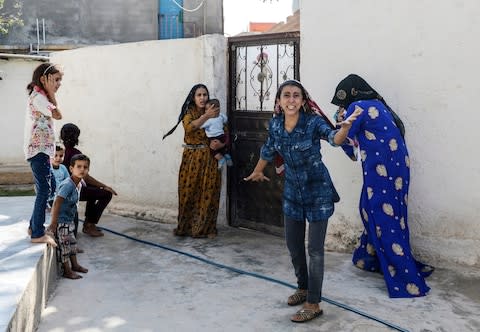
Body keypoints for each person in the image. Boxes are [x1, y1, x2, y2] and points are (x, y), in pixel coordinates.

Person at [244, 80, 362, 323]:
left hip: (318, 192)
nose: (291, 100)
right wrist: (258, 170)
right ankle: (303, 288)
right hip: (292, 194)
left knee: (315, 251)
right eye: (286, 95)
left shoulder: (312, 122)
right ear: (278, 101)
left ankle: (314, 302)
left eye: (296, 95)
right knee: (293, 245)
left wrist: (345, 128)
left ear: (303, 100)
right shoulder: (276, 124)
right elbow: (268, 149)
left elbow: (333, 138)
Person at [331, 74, 433, 298]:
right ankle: (367, 257)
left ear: (350, 95)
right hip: (397, 168)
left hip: (381, 169)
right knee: (374, 210)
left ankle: (406, 279)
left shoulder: (356, 106)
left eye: (340, 103)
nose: (340, 107)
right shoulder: (378, 104)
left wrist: (338, 122)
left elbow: (344, 140)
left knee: (382, 217)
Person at [163, 84, 224, 238]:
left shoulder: (213, 110)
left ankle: (207, 228)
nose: (203, 98)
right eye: (199, 95)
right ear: (193, 97)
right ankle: (186, 227)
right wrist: (206, 116)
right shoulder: (189, 112)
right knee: (188, 192)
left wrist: (220, 144)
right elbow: (190, 127)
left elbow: (224, 131)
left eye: (205, 95)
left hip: (209, 158)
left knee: (208, 192)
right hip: (191, 158)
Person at [24, 63, 63, 247]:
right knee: (44, 191)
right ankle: (37, 233)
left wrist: (50, 92)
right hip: (38, 151)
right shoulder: (39, 98)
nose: (59, 84)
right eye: (56, 80)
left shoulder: (40, 97)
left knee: (48, 188)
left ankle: (33, 227)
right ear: (44, 80)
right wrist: (52, 94)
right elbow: (58, 115)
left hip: (41, 151)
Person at [60, 123, 117, 237]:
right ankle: (89, 224)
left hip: (65, 189)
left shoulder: (62, 152)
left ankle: (88, 224)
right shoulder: (75, 153)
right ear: (76, 137)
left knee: (94, 189)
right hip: (72, 191)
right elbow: (85, 176)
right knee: (106, 194)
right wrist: (105, 186)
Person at [48, 154, 90, 279]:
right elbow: (57, 202)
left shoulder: (79, 183)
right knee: (65, 246)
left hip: (69, 220)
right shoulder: (68, 185)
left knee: (72, 244)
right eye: (79, 166)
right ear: (71, 169)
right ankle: (67, 270)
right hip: (61, 222)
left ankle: (75, 265)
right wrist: (54, 223)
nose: (82, 169)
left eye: (85, 167)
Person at [200, 98, 233, 169]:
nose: (205, 111)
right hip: (222, 136)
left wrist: (202, 117)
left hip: (213, 138)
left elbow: (200, 126)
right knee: (222, 149)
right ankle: (227, 156)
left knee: (213, 151)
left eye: (207, 109)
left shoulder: (208, 120)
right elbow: (225, 119)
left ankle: (221, 159)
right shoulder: (221, 116)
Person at [47, 145, 70, 209]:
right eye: (55, 156)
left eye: (61, 156)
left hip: (62, 195)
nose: (58, 158)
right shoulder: (48, 169)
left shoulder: (63, 168)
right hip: (51, 198)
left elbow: (68, 181)